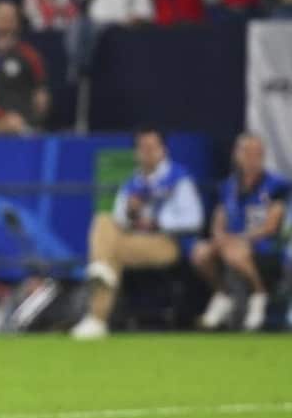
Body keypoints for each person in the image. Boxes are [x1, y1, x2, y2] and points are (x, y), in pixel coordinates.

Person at [71, 128, 204, 340]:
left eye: (152, 147)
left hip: (168, 242)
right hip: (134, 239)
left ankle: (97, 317)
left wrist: (157, 222)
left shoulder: (178, 178)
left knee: (108, 255)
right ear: (136, 152)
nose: (148, 152)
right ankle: (100, 274)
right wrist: (131, 213)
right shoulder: (132, 183)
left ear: (163, 150)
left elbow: (194, 219)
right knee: (103, 219)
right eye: (143, 148)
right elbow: (119, 219)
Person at [193, 133, 288, 331]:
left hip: (265, 247)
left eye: (255, 153)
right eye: (245, 152)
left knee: (233, 250)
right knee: (200, 252)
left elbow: (271, 226)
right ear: (236, 155)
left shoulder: (276, 185)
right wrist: (218, 236)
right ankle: (223, 294)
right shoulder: (228, 186)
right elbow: (219, 218)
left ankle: (259, 294)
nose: (250, 157)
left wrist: (236, 238)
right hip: (231, 243)